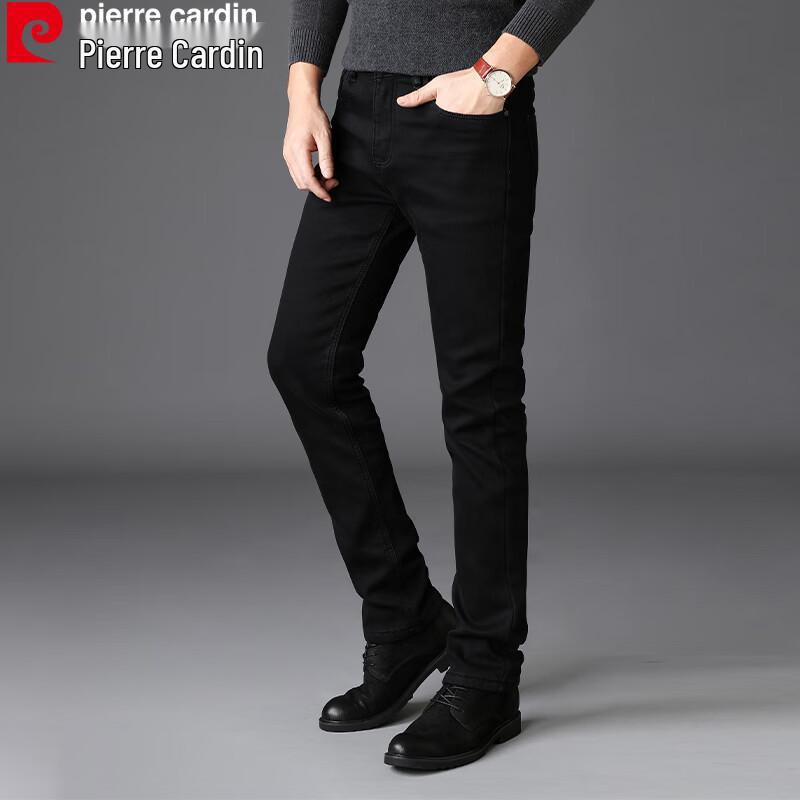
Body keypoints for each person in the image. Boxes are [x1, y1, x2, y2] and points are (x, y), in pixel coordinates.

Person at [268, 0, 595, 770]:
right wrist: (302, 91)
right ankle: (405, 618)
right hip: (358, 112)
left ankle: (486, 674)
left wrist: (498, 73)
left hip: (470, 116)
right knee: (305, 360)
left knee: (479, 399)